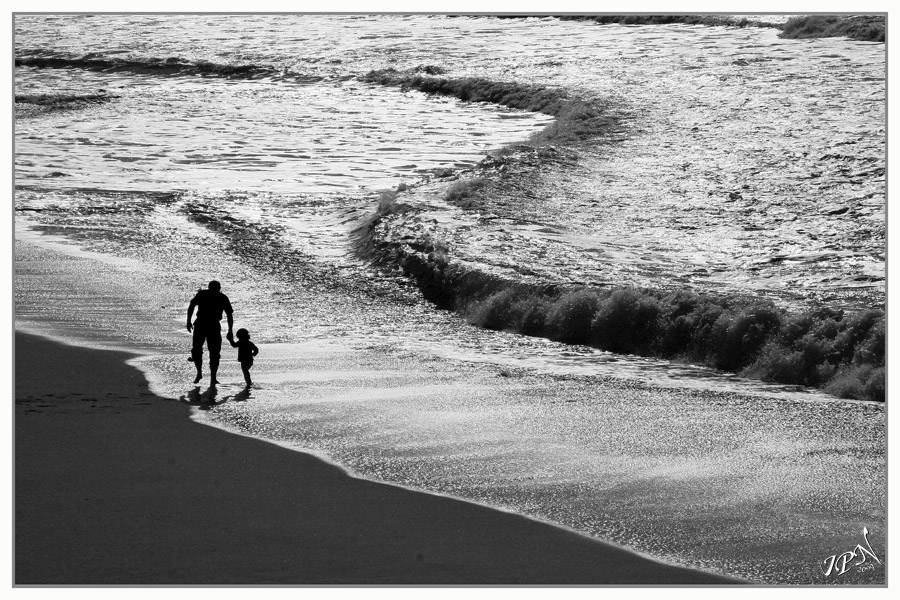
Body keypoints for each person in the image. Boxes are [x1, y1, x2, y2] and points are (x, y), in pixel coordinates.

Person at [186, 280, 234, 385]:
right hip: (201, 324)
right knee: (197, 350)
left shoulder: (222, 297)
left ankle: (213, 378)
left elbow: (229, 314)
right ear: (209, 288)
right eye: (213, 290)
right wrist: (188, 321)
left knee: (214, 353)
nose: (214, 292)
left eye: (216, 290)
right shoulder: (202, 294)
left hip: (213, 325)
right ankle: (199, 373)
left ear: (219, 289)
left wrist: (230, 330)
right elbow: (192, 305)